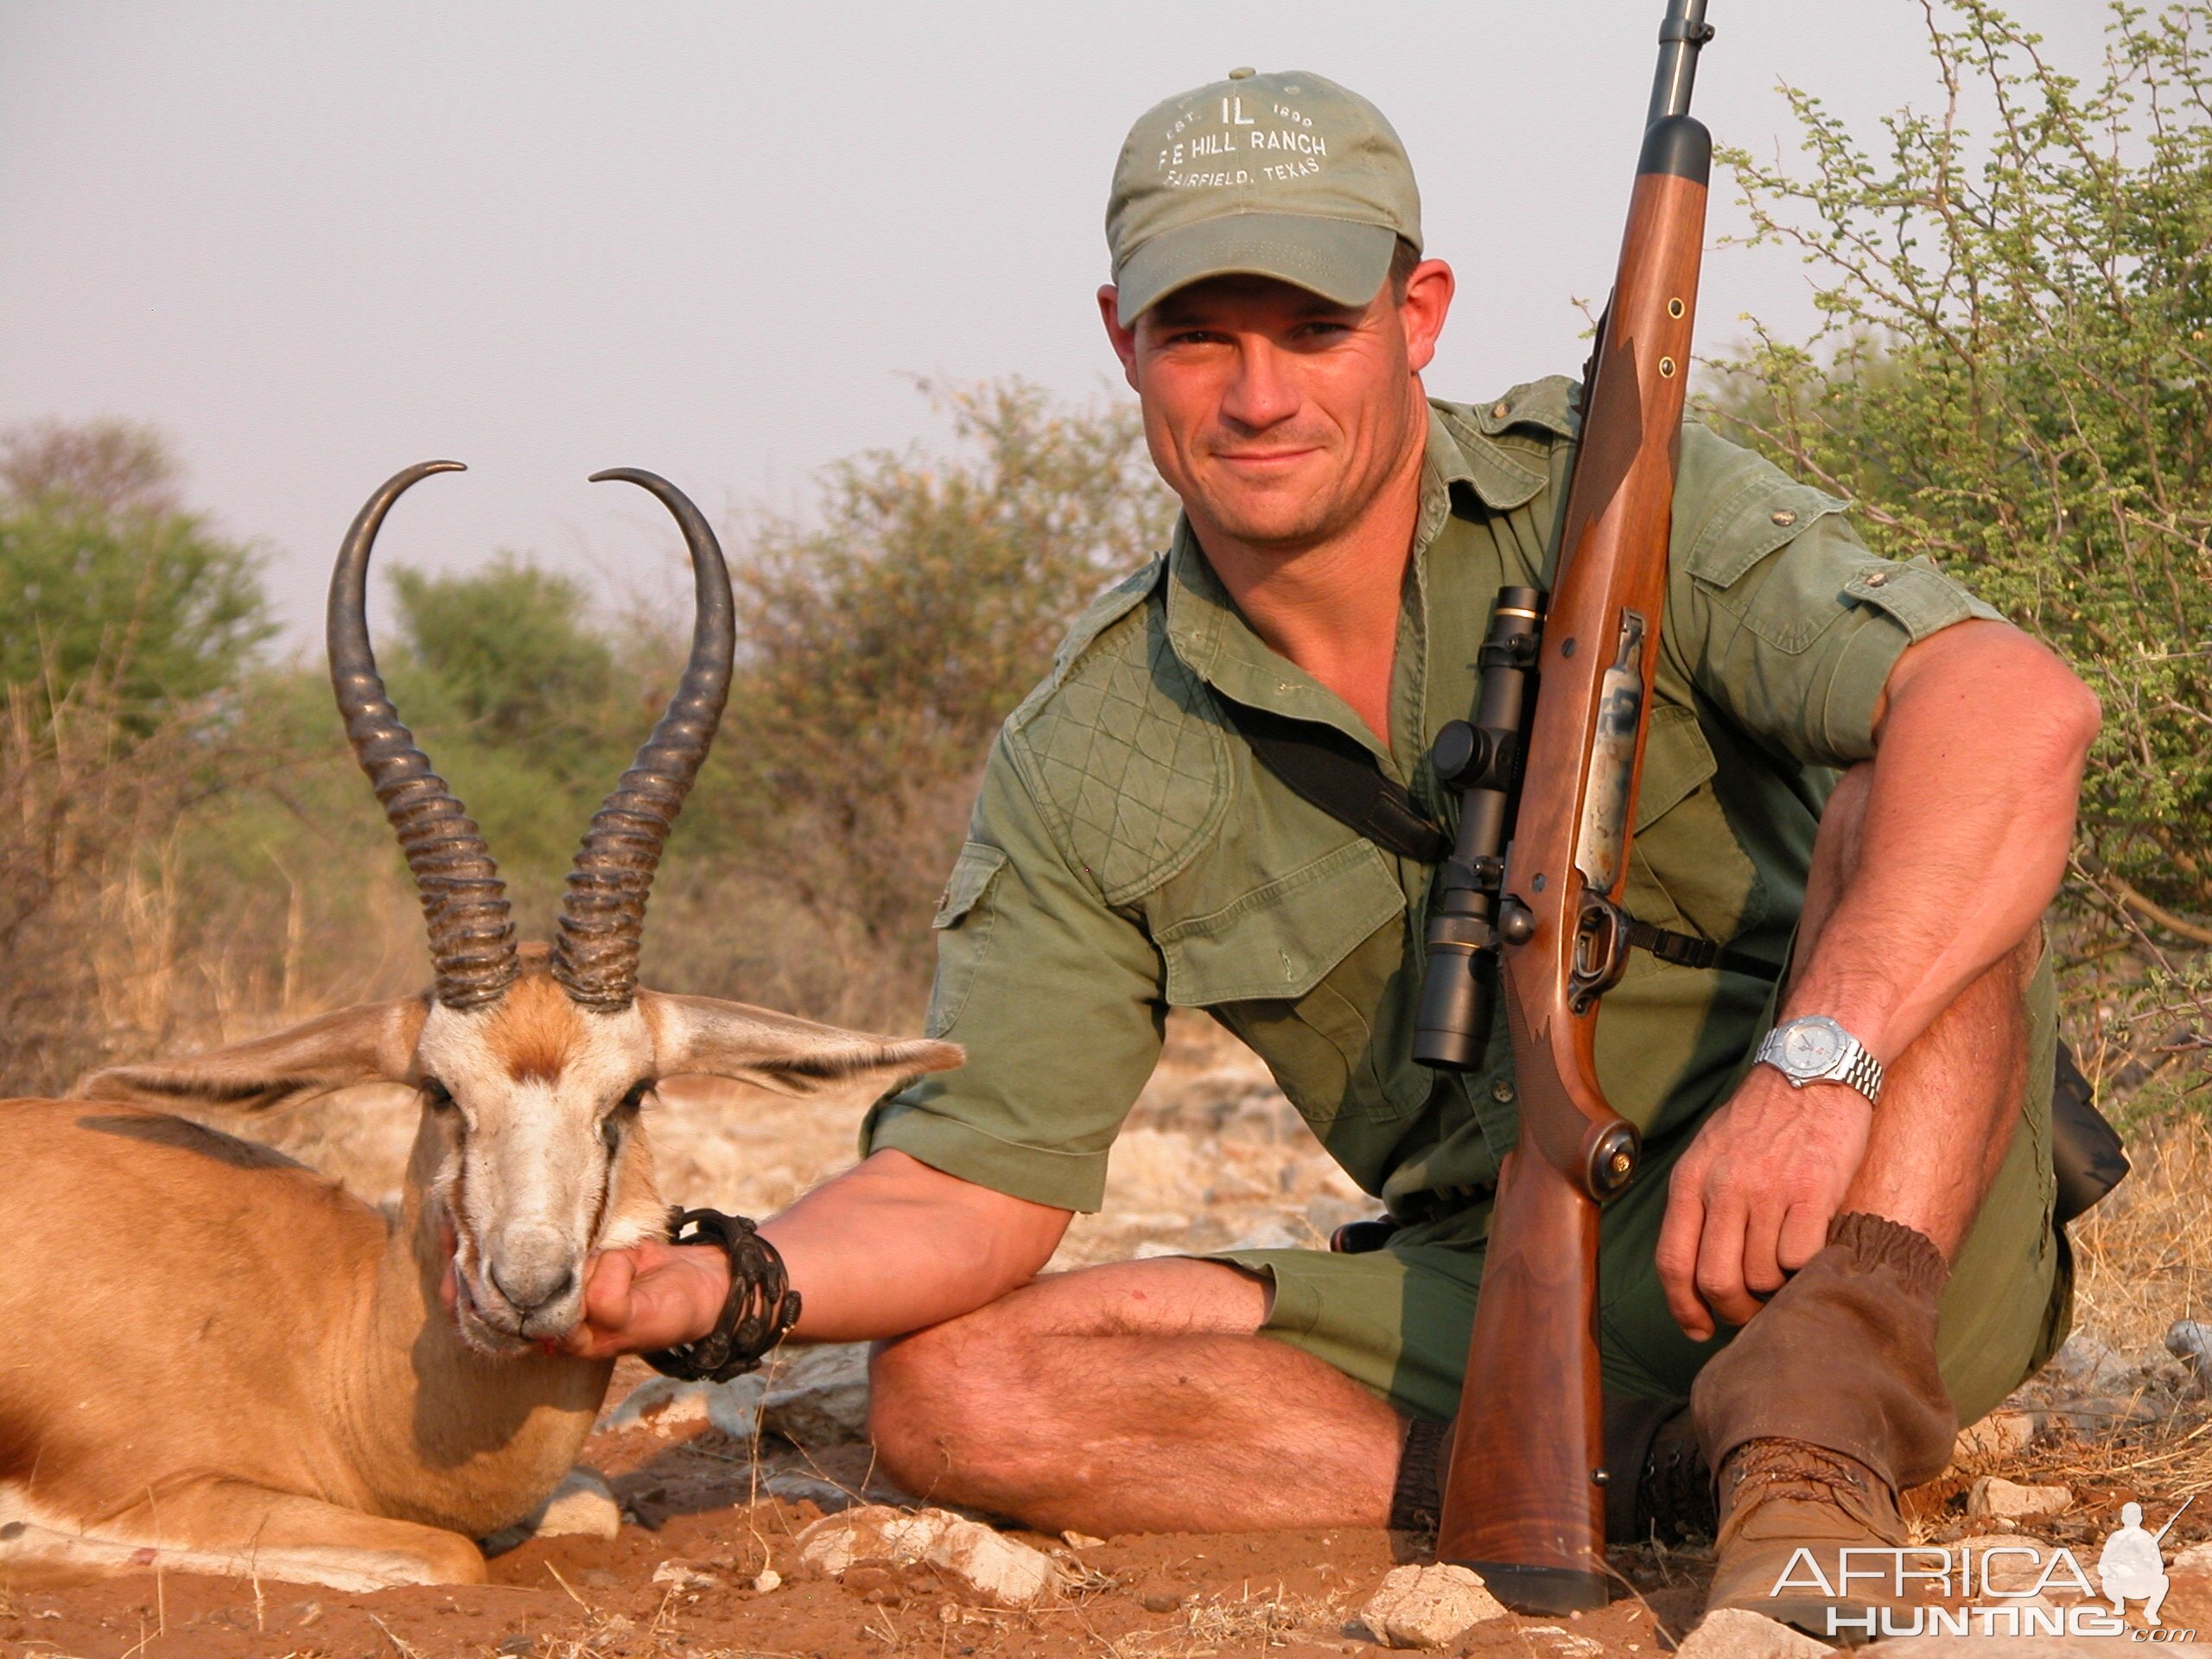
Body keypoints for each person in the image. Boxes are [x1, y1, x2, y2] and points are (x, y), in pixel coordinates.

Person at [563, 68, 2098, 1628]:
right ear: (1121, 340)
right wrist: (719, 1282)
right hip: (1511, 1270)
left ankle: (1817, 1442)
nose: (1258, 397)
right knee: (954, 1394)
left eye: (1312, 331)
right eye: (1199, 337)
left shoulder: (1613, 490)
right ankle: (1640, 1475)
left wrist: (1810, 1076)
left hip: (1868, 1203)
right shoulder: (1087, 742)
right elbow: (972, 1184)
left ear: (1418, 312)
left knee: (1912, 793)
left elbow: (2016, 710)